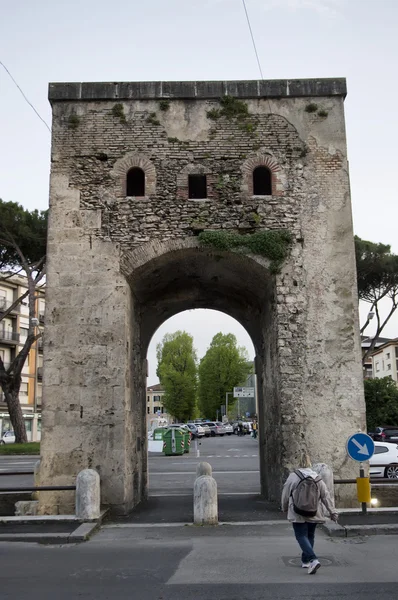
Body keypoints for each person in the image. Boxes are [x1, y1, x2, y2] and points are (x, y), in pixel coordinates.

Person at [281, 453, 338, 575]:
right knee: (310, 535)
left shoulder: (293, 476)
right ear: (310, 463)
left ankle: (312, 559)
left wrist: (284, 507)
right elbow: (325, 496)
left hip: (297, 512)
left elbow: (285, 493)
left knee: (301, 536)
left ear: (299, 463)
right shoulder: (317, 477)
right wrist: (332, 512)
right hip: (314, 511)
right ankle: (305, 560)